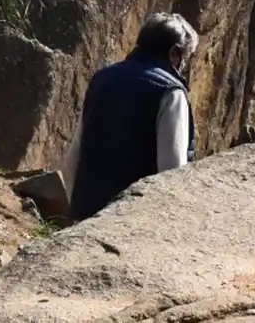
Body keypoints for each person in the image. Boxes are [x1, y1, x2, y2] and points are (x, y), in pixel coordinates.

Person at [63, 12, 198, 222]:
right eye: (185, 58)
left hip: (87, 213)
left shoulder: (102, 79)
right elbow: (171, 169)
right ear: (174, 53)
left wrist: (75, 212)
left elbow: (75, 153)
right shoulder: (170, 92)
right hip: (132, 220)